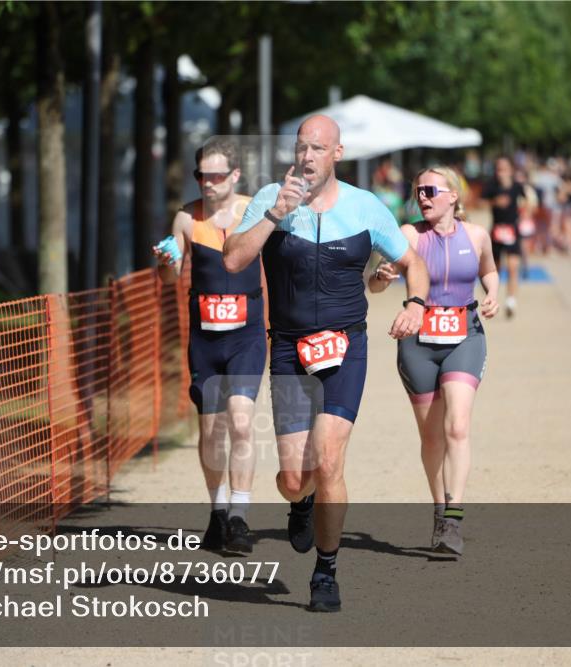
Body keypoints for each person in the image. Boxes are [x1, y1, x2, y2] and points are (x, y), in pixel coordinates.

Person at [223, 115, 429, 612]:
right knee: (294, 477)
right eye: (301, 147)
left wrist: (415, 304)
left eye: (318, 148)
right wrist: (273, 215)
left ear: (337, 153)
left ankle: (326, 572)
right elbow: (232, 259)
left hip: (344, 346)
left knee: (330, 457)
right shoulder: (271, 197)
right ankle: (301, 501)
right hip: (291, 348)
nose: (307, 156)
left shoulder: (365, 206)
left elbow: (412, 264)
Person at [371, 166, 498, 556]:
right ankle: (439, 508)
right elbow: (375, 286)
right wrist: (381, 275)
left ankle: (454, 519)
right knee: (431, 437)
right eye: (417, 192)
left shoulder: (476, 235)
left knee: (457, 426)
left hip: (465, 336)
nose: (422, 198)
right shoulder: (408, 235)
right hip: (418, 344)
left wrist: (494, 292)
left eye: (429, 190)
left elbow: (488, 269)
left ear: (453, 196)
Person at [153, 138, 265, 554]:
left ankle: (240, 516)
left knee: (240, 421)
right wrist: (165, 265)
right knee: (211, 430)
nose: (208, 183)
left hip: (247, 334)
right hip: (205, 338)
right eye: (202, 176)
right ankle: (218, 513)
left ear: (235, 175)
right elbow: (170, 275)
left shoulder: (255, 211)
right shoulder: (186, 219)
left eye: (217, 176)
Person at [481, 156, 523, 318]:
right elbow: (479, 202)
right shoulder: (491, 186)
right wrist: (494, 202)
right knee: (495, 269)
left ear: (511, 170)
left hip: (512, 230)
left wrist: (527, 210)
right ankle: (493, 299)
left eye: (504, 169)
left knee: (513, 266)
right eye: (499, 169)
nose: (501, 172)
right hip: (497, 230)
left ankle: (511, 301)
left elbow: (530, 201)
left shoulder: (518, 186)